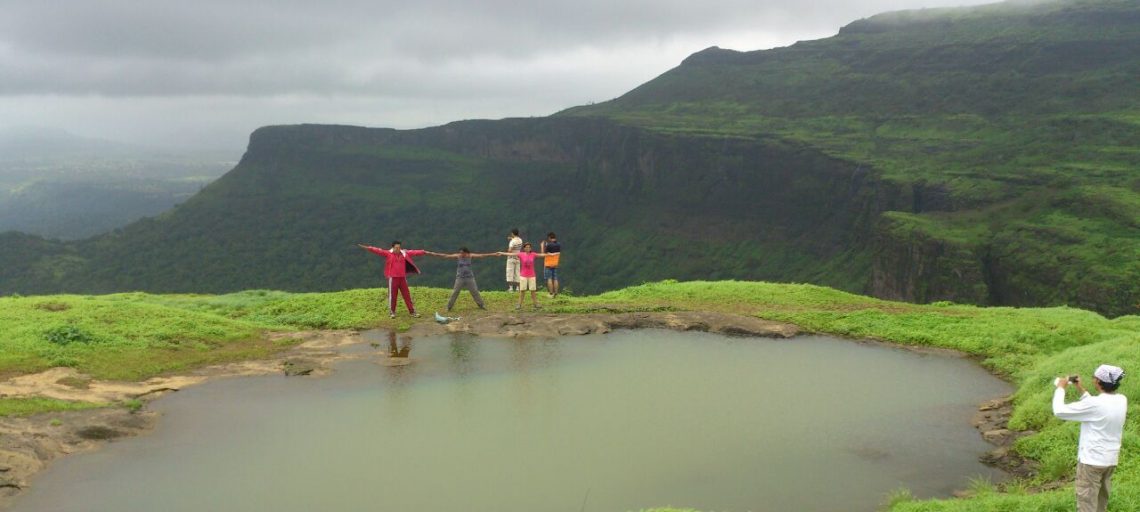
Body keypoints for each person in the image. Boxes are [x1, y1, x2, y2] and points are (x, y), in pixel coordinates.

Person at [1053, 364, 1128, 512]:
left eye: (1094, 377)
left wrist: (1061, 387)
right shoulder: (1121, 400)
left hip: (1091, 462)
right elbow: (1096, 406)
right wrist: (1080, 388)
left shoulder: (1095, 404)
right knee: (1101, 502)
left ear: (1098, 382)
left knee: (1087, 504)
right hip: (1110, 460)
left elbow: (1059, 411)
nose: (1093, 379)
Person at [358, 241, 426, 319]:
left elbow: (414, 252)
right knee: (393, 296)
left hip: (402, 278)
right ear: (393, 247)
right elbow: (378, 251)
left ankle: (412, 312)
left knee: (407, 295)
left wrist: (423, 252)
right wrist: (368, 248)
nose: (398, 249)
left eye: (399, 247)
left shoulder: (404, 254)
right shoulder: (388, 254)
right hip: (393, 278)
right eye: (396, 247)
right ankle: (392, 312)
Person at [425, 247, 496, 312]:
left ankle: (481, 305)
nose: (461, 254)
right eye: (460, 253)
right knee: (455, 292)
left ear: (466, 252)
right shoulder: (458, 256)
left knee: (475, 291)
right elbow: (446, 256)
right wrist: (434, 254)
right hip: (460, 278)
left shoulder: (470, 256)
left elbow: (482, 256)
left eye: (462, 253)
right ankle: (449, 307)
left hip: (469, 277)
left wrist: (494, 254)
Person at [498, 242, 555, 310]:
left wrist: (550, 254)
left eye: (529, 247)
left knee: (533, 291)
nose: (528, 248)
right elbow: (511, 254)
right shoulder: (521, 254)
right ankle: (519, 304)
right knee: (522, 291)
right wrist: (501, 253)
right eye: (526, 247)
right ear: (524, 248)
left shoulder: (533, 254)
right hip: (523, 276)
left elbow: (541, 255)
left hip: (532, 275)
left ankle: (536, 304)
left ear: (530, 248)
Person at [540, 232, 561, 298]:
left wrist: (542, 246)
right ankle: (556, 293)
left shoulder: (549, 245)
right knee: (555, 278)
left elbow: (543, 254)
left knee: (549, 278)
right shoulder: (558, 244)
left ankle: (551, 293)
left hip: (548, 264)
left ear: (549, 237)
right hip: (555, 263)